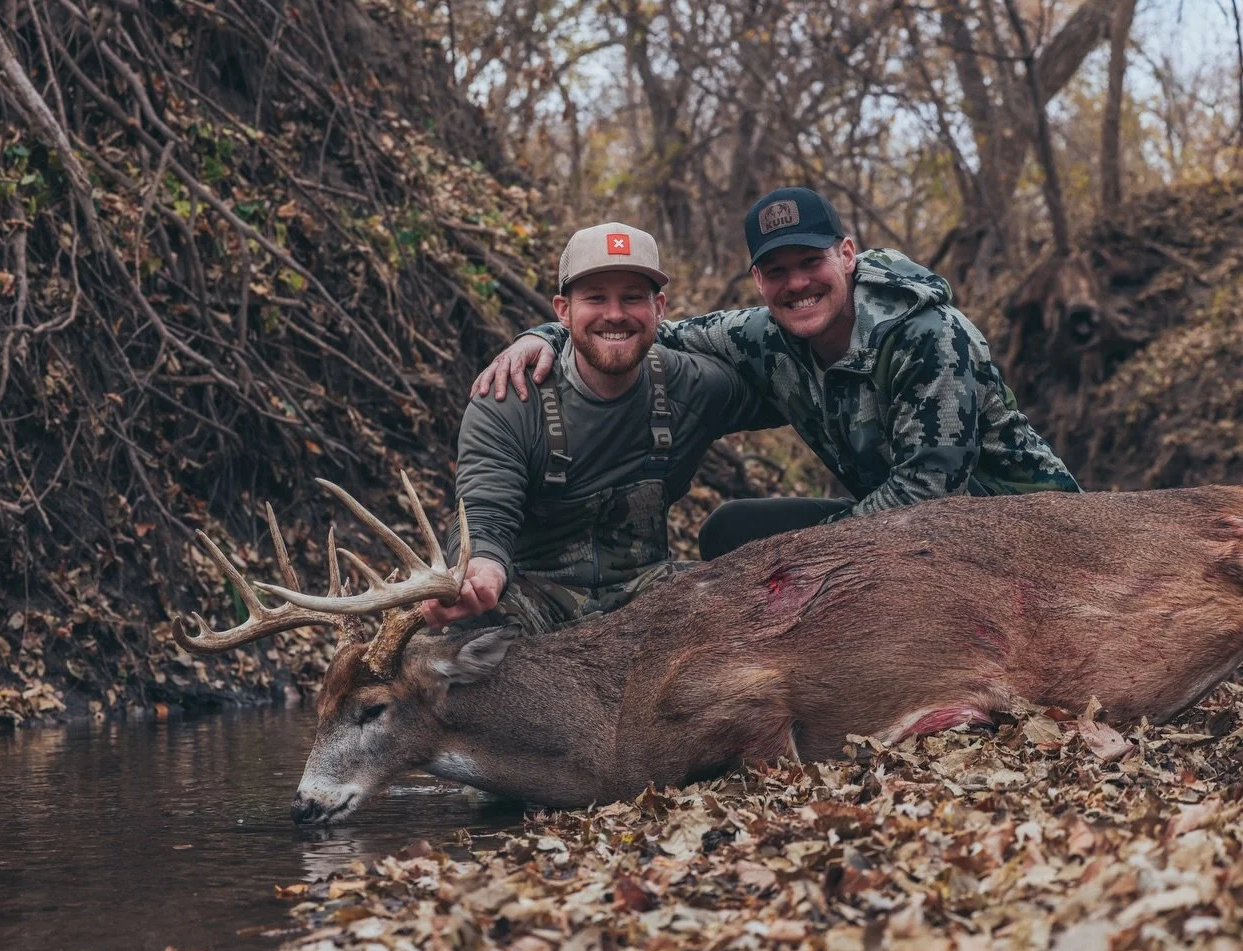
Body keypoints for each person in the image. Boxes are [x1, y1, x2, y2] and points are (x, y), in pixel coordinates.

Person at [473, 187, 1080, 560]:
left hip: (1018, 532)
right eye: (776, 271)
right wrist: (545, 335)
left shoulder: (927, 335)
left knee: (781, 567)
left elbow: (929, 497)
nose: (797, 284)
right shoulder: (764, 334)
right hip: (896, 537)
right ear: (759, 281)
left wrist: (805, 558)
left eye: (811, 261)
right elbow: (644, 330)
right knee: (732, 534)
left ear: (847, 255)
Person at [423, 222, 782, 632]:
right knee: (460, 638)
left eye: (632, 298)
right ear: (563, 310)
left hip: (651, 601)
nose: (615, 314)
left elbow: (796, 393)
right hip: (534, 604)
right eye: (596, 298)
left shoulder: (696, 385)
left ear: (659, 307)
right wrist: (483, 572)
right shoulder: (508, 397)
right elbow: (486, 512)